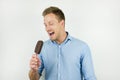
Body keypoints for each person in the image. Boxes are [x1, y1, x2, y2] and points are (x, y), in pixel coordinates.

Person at [29, 6, 96, 80]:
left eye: (51, 24)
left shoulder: (82, 47)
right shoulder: (43, 47)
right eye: (45, 25)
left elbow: (90, 78)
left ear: (62, 24)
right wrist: (33, 71)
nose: (47, 28)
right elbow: (34, 78)